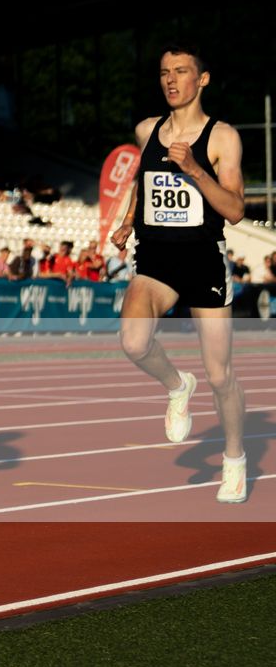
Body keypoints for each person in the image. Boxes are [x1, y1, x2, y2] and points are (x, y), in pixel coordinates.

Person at [108, 43, 249, 503]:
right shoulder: (148, 129)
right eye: (164, 71)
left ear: (201, 79)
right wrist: (129, 220)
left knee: (220, 375)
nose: (171, 80)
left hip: (203, 259)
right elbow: (142, 182)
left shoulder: (222, 137)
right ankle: (175, 384)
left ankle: (234, 460)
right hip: (156, 261)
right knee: (132, 341)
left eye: (181, 71)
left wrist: (194, 169)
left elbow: (235, 210)